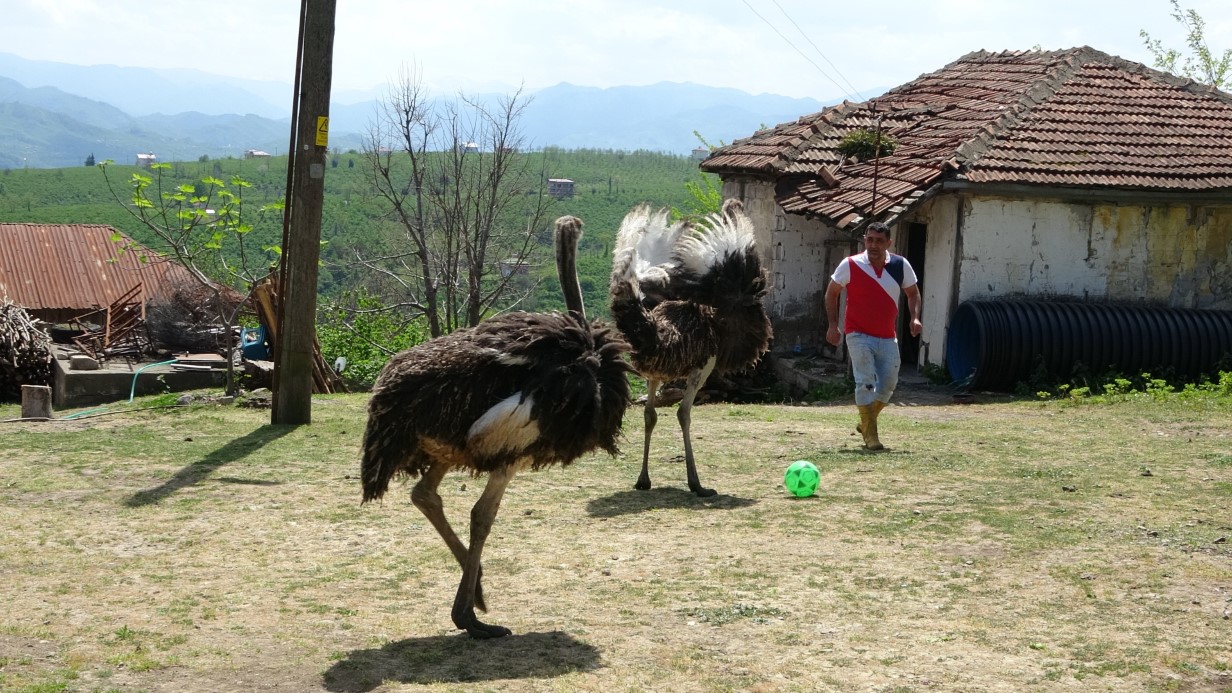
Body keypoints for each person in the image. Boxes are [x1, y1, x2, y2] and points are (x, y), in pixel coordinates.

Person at [824, 221, 922, 450]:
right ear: (864, 240)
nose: (873, 245)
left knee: (888, 384)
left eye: (879, 241)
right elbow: (832, 293)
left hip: (888, 335)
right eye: (869, 240)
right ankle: (871, 438)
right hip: (858, 334)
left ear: (889, 243)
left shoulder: (900, 265)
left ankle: (866, 421)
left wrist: (914, 317)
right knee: (865, 381)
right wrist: (832, 325)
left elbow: (913, 293)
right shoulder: (850, 264)